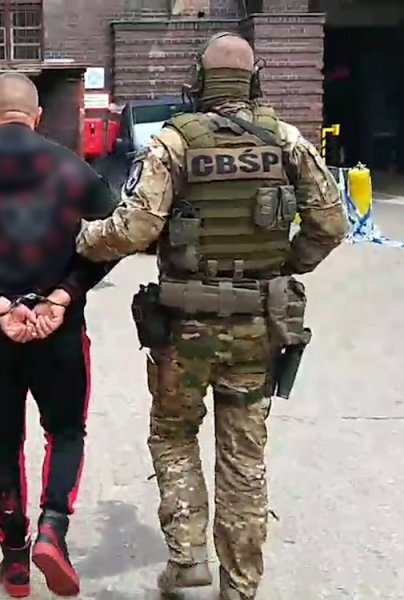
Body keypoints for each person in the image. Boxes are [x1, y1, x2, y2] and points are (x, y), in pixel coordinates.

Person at [76, 33, 348, 599]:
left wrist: (84, 238)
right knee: (244, 459)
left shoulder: (174, 142)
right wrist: (286, 264)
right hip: (257, 327)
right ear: (254, 80)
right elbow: (331, 223)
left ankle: (186, 556)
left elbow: (135, 227)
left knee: (173, 433)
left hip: (184, 327)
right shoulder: (287, 140)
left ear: (199, 81)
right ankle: (240, 586)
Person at [0, 72, 121, 598]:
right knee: (66, 431)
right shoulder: (69, 168)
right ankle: (53, 528)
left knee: (4, 441)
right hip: (59, 329)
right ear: (37, 117)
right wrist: (63, 295)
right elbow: (114, 235)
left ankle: (14, 560)